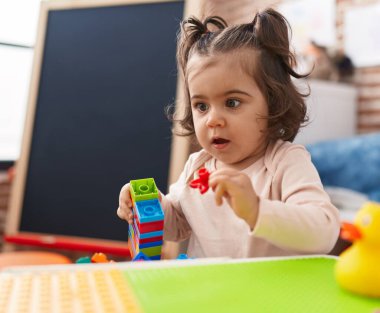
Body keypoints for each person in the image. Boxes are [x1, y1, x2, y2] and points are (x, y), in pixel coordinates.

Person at [117, 8, 340, 258]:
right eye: (201, 106)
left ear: (273, 103)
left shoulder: (284, 162)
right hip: (210, 291)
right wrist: (148, 207)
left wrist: (257, 210)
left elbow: (325, 231)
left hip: (268, 294)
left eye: (232, 103)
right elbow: (177, 224)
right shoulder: (197, 166)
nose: (213, 120)